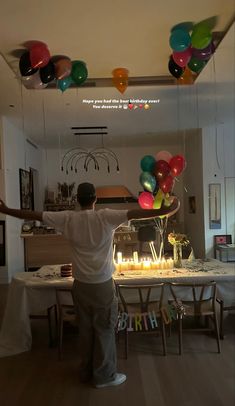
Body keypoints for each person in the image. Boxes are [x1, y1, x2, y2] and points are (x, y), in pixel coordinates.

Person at [0, 182, 180, 388]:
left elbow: (34, 215)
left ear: (77, 200)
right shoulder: (106, 216)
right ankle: (104, 376)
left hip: (80, 285)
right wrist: (166, 210)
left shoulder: (68, 218)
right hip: (102, 284)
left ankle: (85, 372)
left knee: (84, 330)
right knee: (104, 329)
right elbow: (136, 214)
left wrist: (5, 210)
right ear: (95, 199)